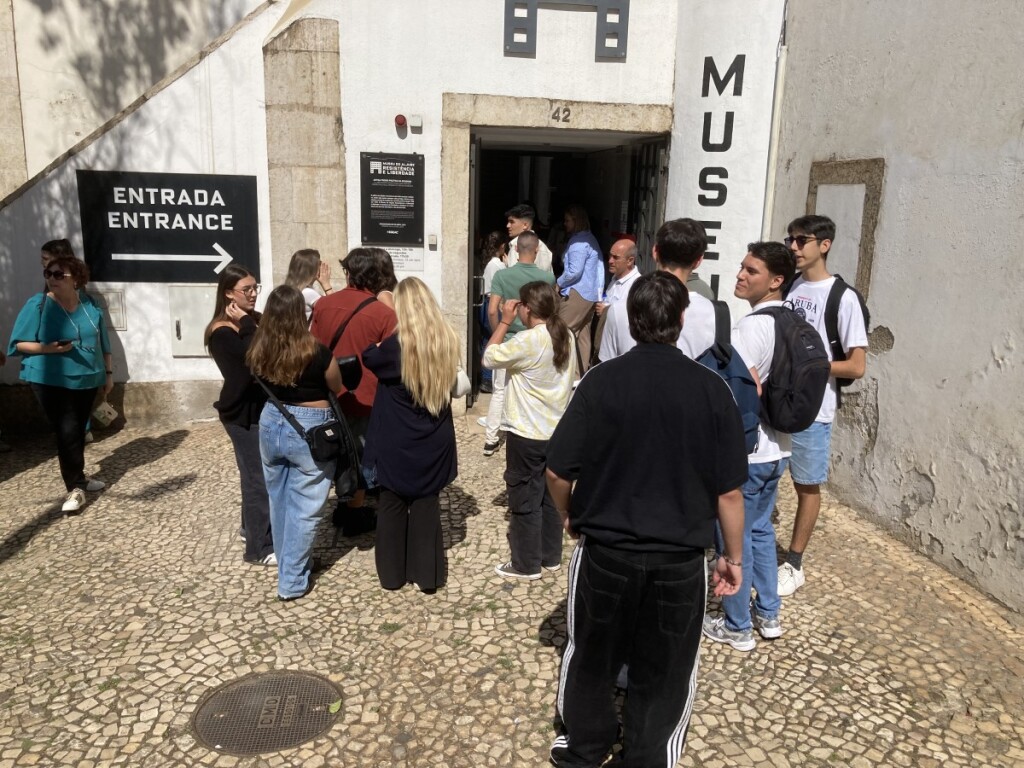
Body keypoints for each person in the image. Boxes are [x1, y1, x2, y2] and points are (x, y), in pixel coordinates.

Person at [545, 272, 747, 767]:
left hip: (608, 552)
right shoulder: (712, 389)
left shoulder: (601, 381)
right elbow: (729, 493)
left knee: (592, 654)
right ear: (681, 320)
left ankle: (585, 748)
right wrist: (733, 557)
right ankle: (647, 756)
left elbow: (556, 470)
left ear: (630, 320)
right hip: (679, 559)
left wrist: (568, 513)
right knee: (668, 666)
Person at [702, 241, 795, 651]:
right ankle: (769, 615)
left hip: (751, 451)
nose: (740, 275)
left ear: (776, 281)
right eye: (742, 268)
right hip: (780, 447)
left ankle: (737, 626)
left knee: (732, 537)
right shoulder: (792, 321)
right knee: (760, 530)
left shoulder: (751, 328)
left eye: (751, 271)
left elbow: (743, 388)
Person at [777, 215, 869, 596]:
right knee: (765, 476)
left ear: (824, 245)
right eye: (791, 240)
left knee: (806, 486)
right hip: (779, 404)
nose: (794, 247)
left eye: (802, 240)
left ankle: (794, 563)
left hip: (814, 411)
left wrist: (810, 365)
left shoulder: (842, 298)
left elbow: (857, 365)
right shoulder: (794, 286)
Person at [362, 277, 460, 593]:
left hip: (396, 436)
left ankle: (392, 576)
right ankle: (427, 576)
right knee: (426, 504)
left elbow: (368, 357)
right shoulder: (447, 340)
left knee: (391, 503)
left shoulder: (393, 347)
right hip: (434, 436)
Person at [247, 285, 343, 601]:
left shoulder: (259, 349)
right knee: (305, 507)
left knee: (280, 500)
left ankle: (290, 565)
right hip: (310, 427)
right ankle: (291, 580)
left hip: (272, 420)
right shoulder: (317, 351)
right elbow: (336, 385)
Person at [7, 252, 112, 513]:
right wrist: (49, 349)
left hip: (88, 376)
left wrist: (108, 374)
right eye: (48, 274)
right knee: (67, 430)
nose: (51, 279)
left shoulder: (89, 305)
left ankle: (80, 478)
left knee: (76, 430)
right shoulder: (38, 304)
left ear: (76, 279)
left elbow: (103, 343)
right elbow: (18, 344)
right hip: (49, 378)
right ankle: (75, 488)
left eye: (58, 274)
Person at [484, 281, 575, 580]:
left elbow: (489, 357)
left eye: (521, 304)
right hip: (558, 431)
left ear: (528, 308)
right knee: (550, 498)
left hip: (527, 432)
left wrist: (504, 320)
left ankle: (526, 563)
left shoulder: (528, 339)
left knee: (524, 498)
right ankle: (550, 556)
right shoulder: (566, 336)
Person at [310, 248, 398, 533]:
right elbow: (393, 358)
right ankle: (353, 512)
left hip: (329, 393)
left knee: (334, 450)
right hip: (366, 396)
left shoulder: (323, 305)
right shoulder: (383, 313)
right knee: (359, 453)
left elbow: (313, 347)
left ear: (349, 273)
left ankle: (341, 503)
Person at [204, 263, 275, 566]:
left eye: (255, 287)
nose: (253, 294)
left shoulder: (252, 321)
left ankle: (250, 529)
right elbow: (253, 364)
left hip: (259, 410)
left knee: (254, 476)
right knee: (257, 479)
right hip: (241, 414)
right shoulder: (222, 331)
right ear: (228, 294)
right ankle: (259, 549)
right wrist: (247, 324)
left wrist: (250, 323)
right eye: (247, 289)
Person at [479, 232, 556, 457]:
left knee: (500, 391)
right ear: (537, 251)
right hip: (536, 342)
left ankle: (491, 439)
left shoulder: (502, 276)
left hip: (509, 338)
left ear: (515, 250)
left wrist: (499, 332)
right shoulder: (547, 278)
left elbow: (492, 309)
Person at [599, 218, 718, 362]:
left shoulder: (619, 309)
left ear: (655, 252)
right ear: (699, 260)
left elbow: (607, 368)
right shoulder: (718, 316)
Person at [555, 205, 603, 375]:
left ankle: (561, 374)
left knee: (561, 331)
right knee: (582, 336)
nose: (565, 224)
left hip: (577, 292)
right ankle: (579, 377)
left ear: (577, 221)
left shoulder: (578, 243)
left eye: (568, 220)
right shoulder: (590, 239)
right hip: (589, 294)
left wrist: (558, 283)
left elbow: (574, 272)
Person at [591, 238, 640, 363]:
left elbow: (628, 317)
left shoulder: (636, 286)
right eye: (610, 256)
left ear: (630, 261)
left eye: (616, 257)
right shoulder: (614, 279)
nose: (610, 261)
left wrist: (606, 311)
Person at [478, 231, 507, 393]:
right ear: (502, 246)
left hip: (484, 302)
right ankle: (488, 380)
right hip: (493, 304)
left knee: (486, 340)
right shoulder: (497, 264)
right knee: (494, 340)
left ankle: (486, 378)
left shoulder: (488, 261)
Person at [285, 248, 334, 322]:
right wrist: (326, 284)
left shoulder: (295, 290)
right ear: (311, 269)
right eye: (319, 264)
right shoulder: (308, 292)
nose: (322, 267)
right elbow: (335, 309)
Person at [505, 203, 554, 273]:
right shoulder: (543, 247)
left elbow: (513, 279)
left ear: (525, 225)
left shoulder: (517, 245)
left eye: (512, 222)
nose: (508, 225)